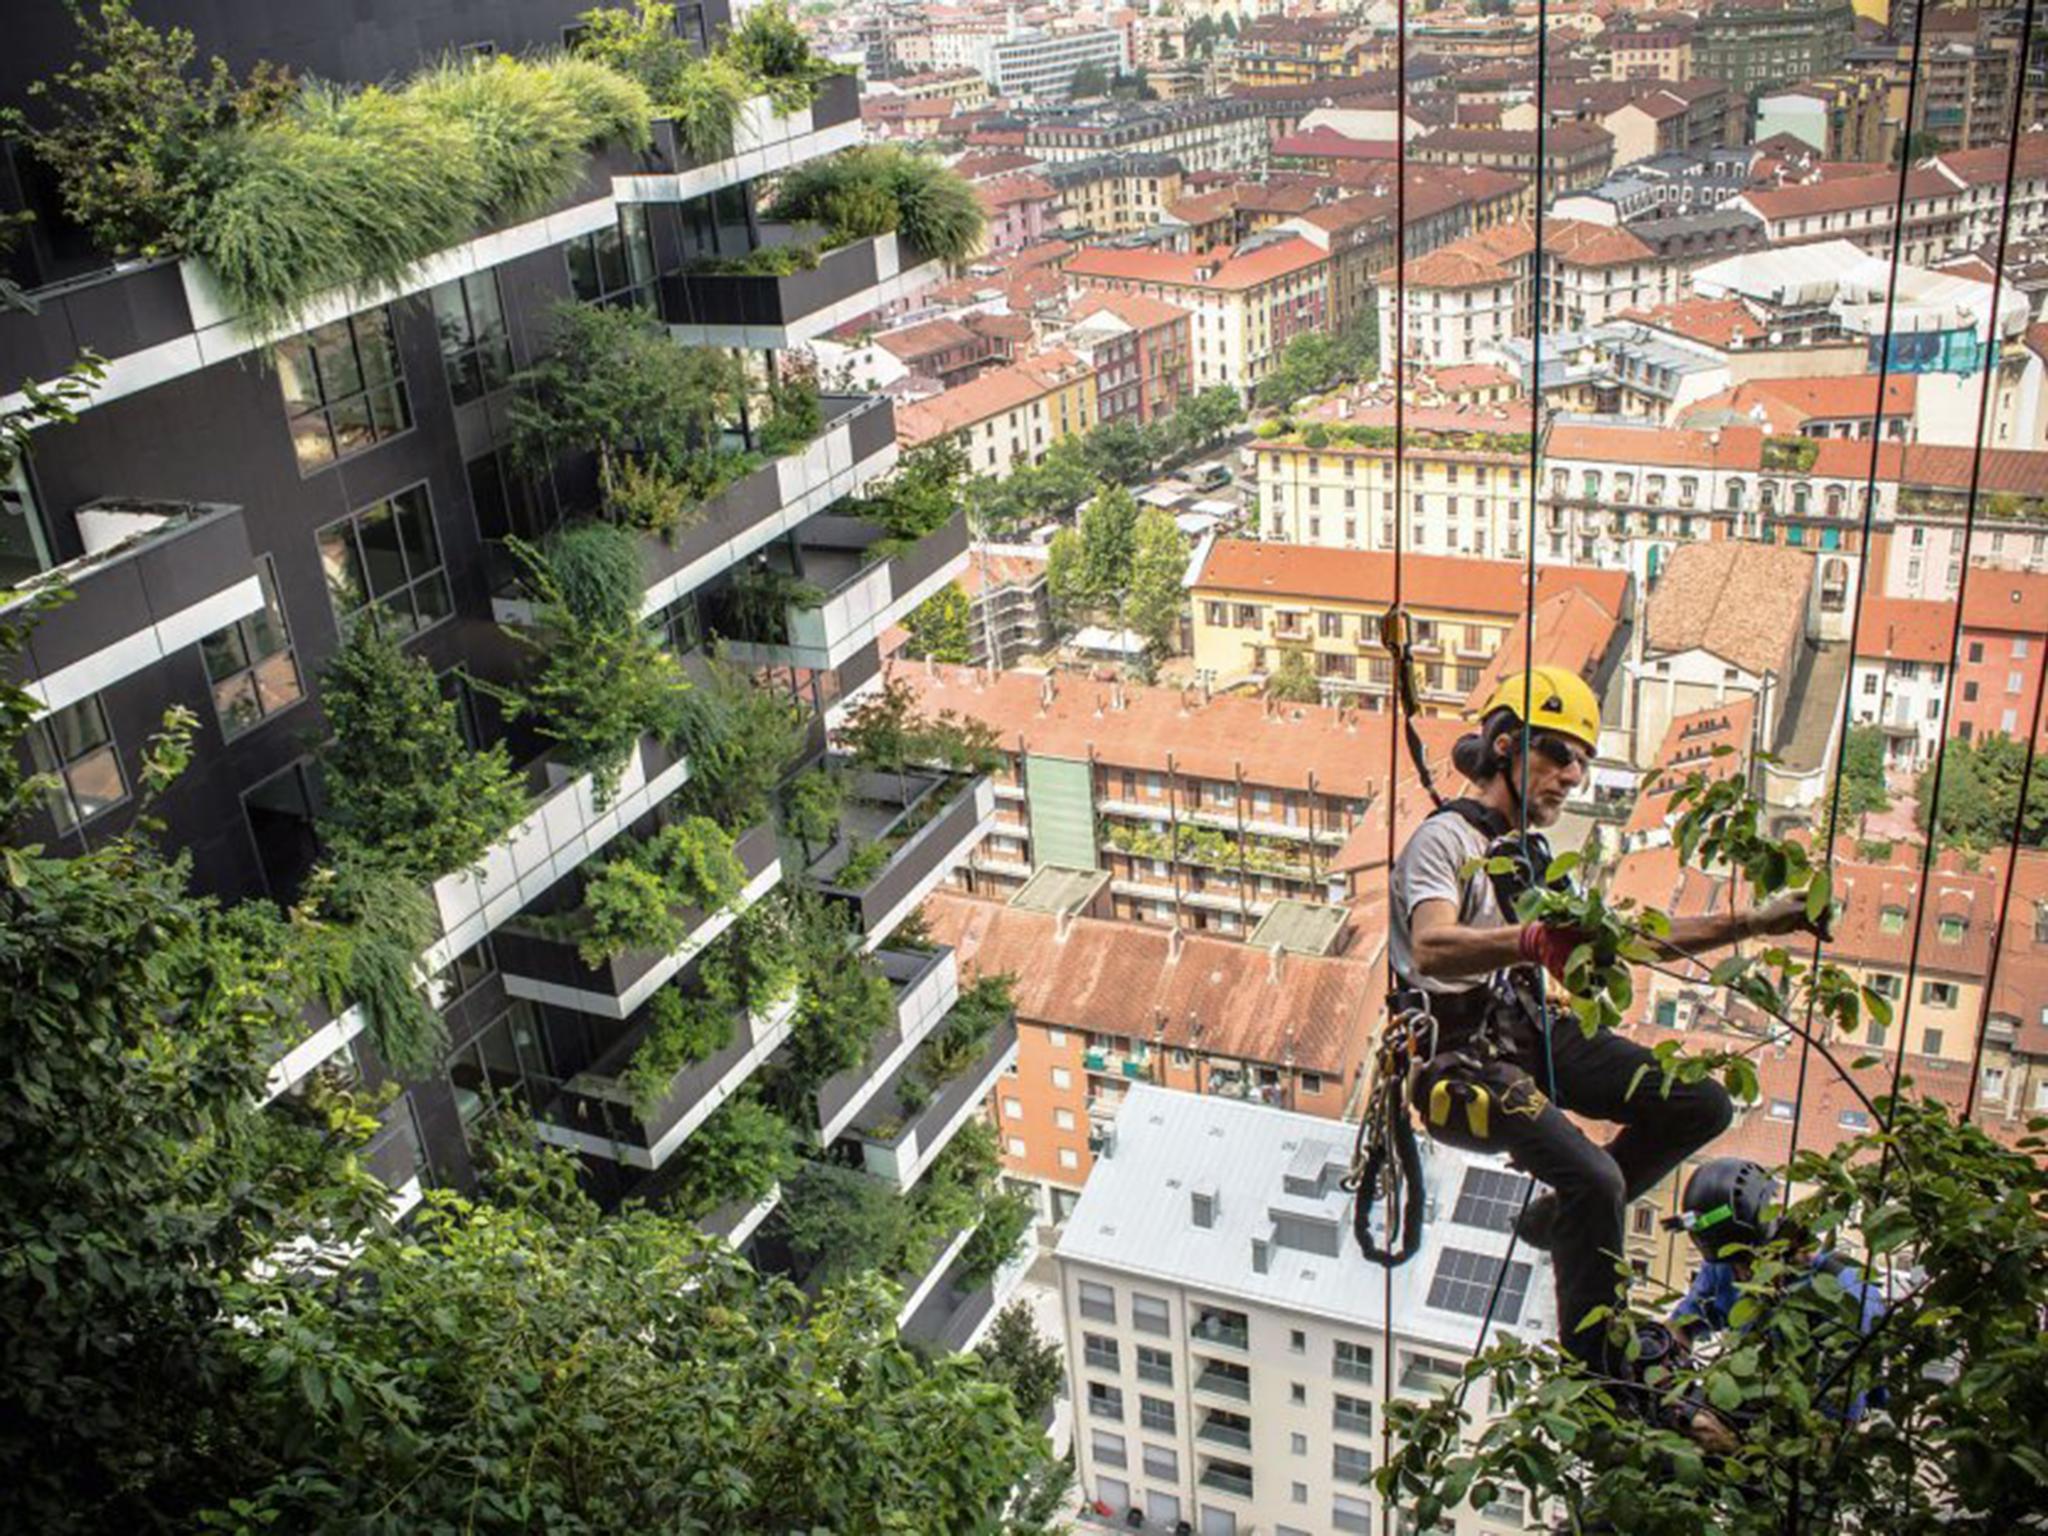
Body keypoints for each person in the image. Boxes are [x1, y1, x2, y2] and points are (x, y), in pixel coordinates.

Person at [1387, 667, 1823, 1376]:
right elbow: (1434, 941)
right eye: (1558, 755)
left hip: (1524, 1033)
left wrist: (1753, 923)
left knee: (1699, 1103)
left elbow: (1622, 936)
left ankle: (1558, 1220)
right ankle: (1603, 1372)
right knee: (1597, 1180)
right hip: (1460, 1061)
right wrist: (1531, 942)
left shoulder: (1529, 859)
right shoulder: (1446, 842)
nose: (1572, 776)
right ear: (1505, 746)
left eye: (1581, 763)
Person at [1668, 1157, 1886, 1450]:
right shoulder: (1727, 1260)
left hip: (1804, 1448)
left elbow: (1830, 1438)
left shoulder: (1845, 1296)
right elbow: (1680, 1328)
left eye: (1747, 1260)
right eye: (1731, 1263)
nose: (1741, 1274)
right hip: (1751, 1410)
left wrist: (1732, 1445)